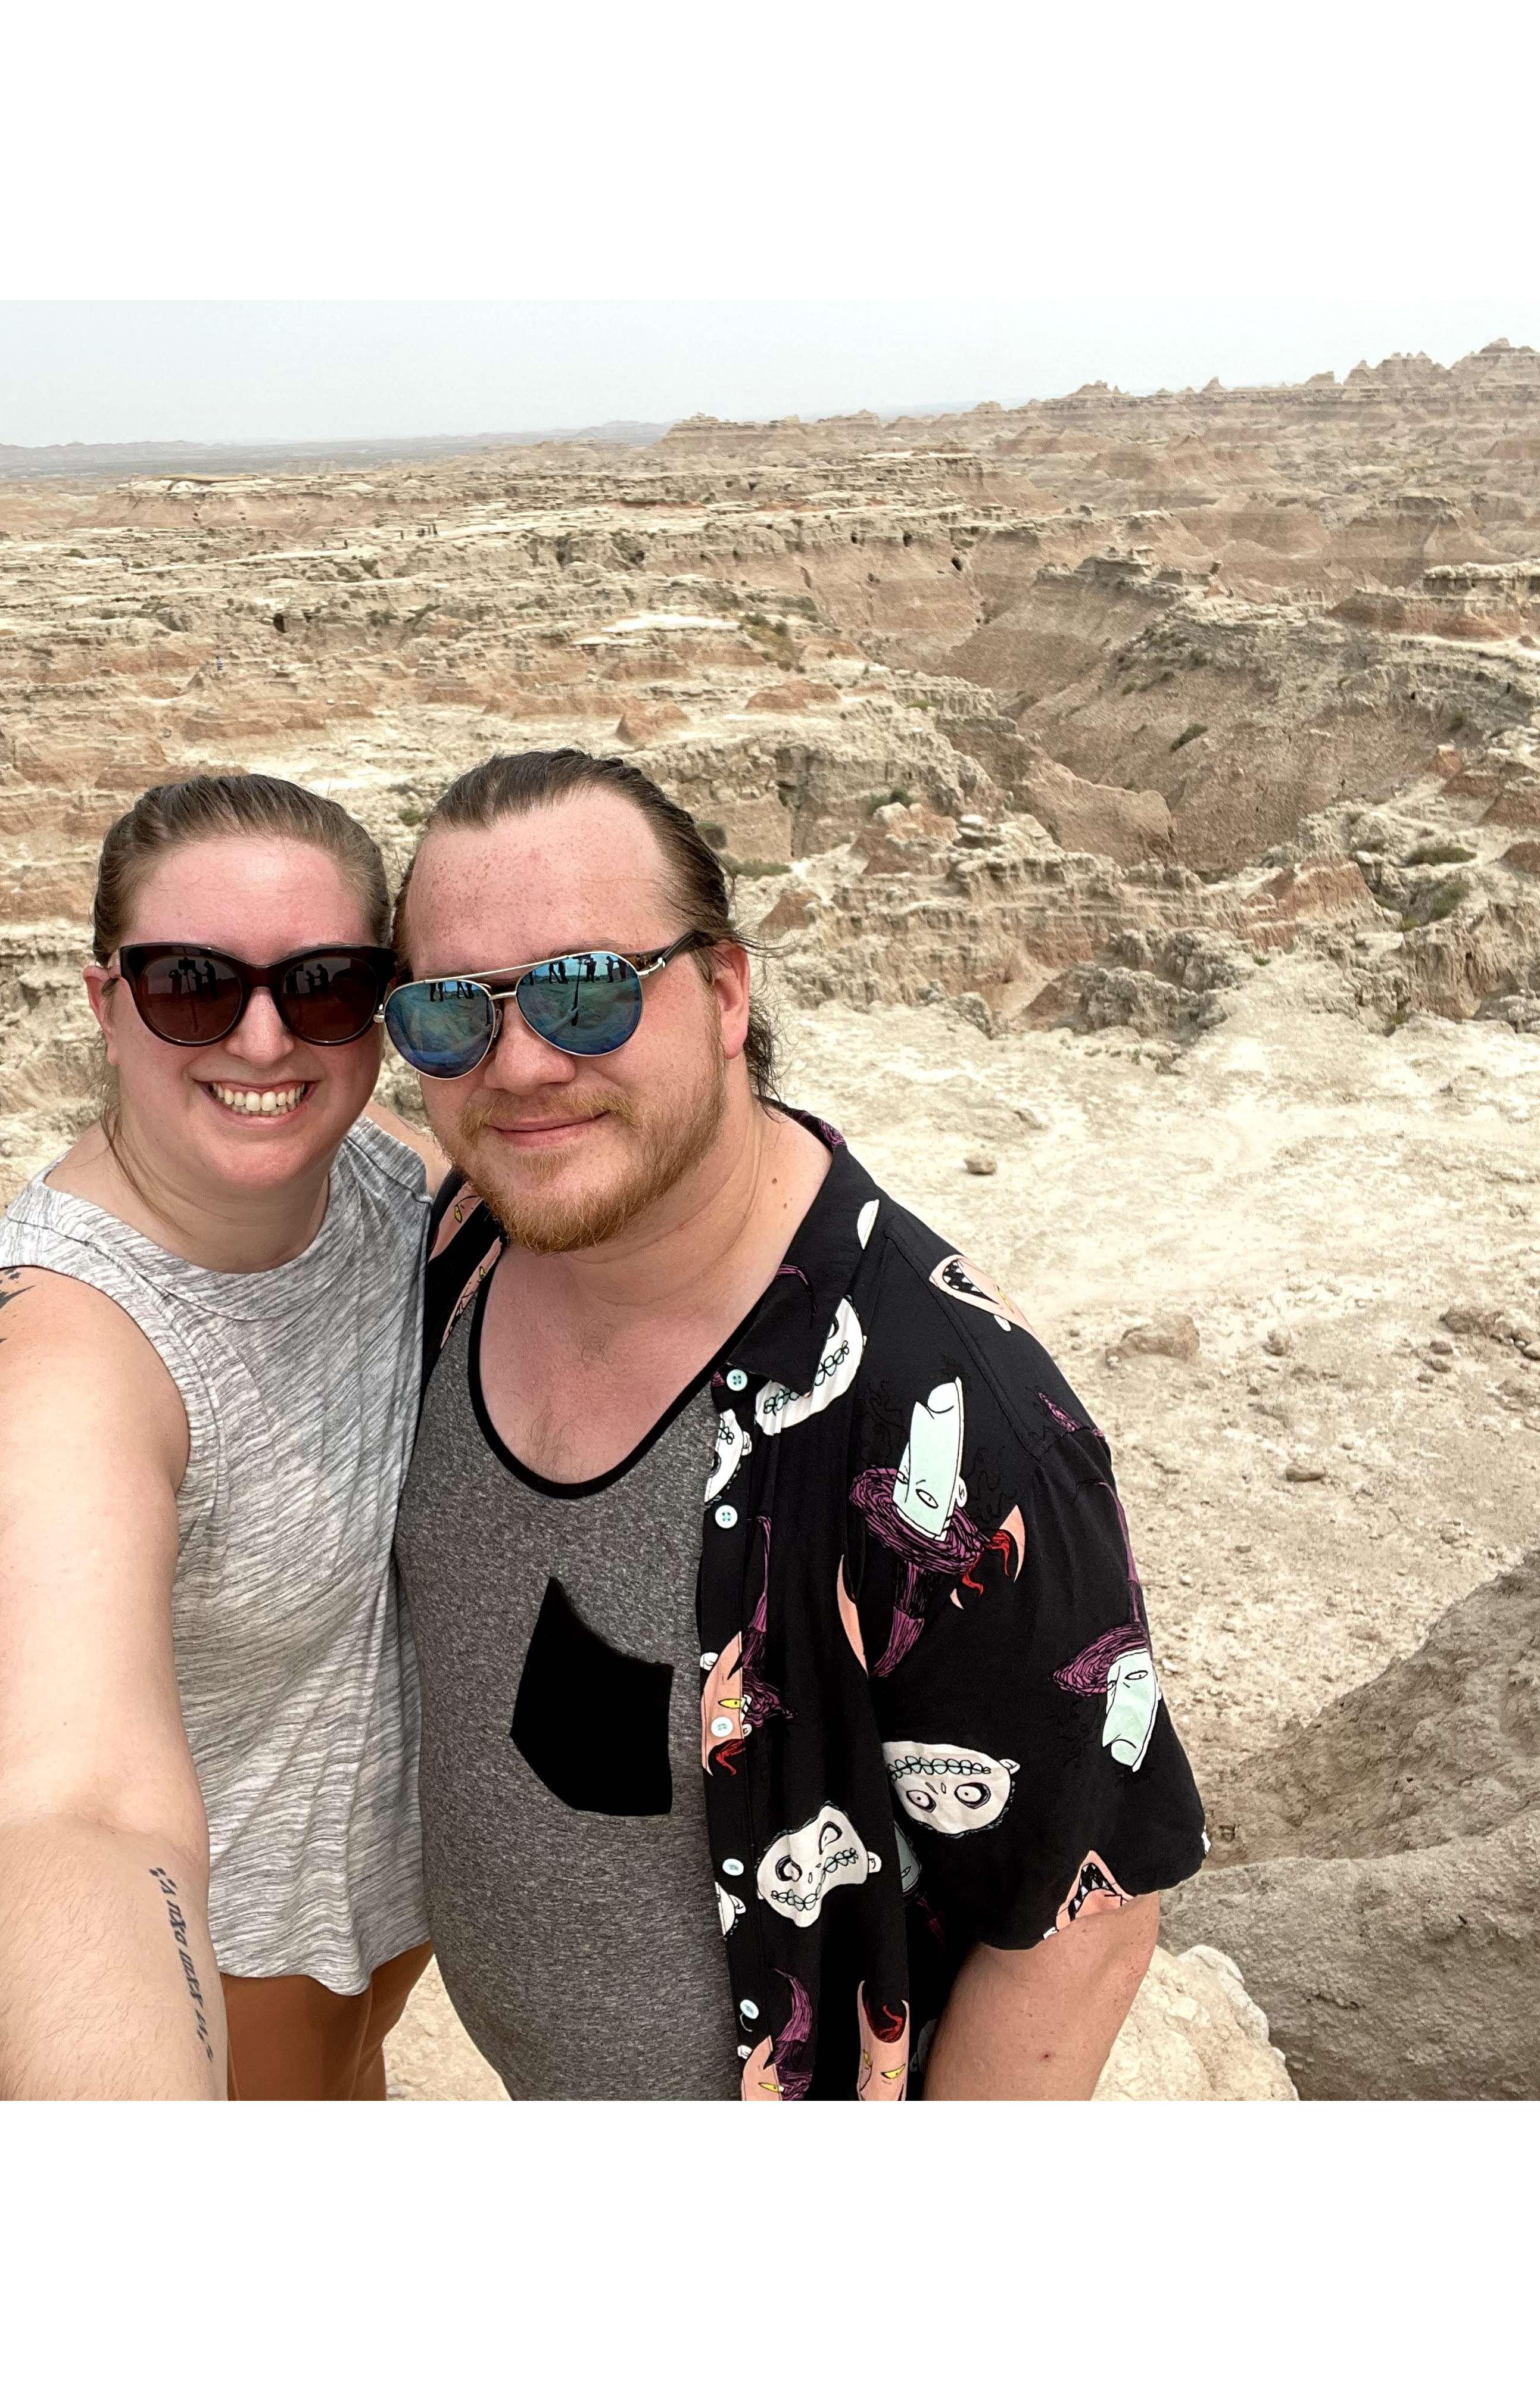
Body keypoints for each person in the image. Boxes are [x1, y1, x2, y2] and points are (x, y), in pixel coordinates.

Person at [384, 750, 1208, 2100]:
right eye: (447, 1014)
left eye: (586, 992)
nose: (519, 1062)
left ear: (721, 993)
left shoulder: (942, 1420)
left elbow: (1086, 1918)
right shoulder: (469, 1245)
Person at [0, 775, 440, 2098]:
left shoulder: (379, 1175)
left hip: (352, 1858)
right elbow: (78, 1808)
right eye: (193, 982)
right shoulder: (56, 1343)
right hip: (224, 1916)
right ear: (102, 1001)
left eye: (324, 986)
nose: (262, 1042)